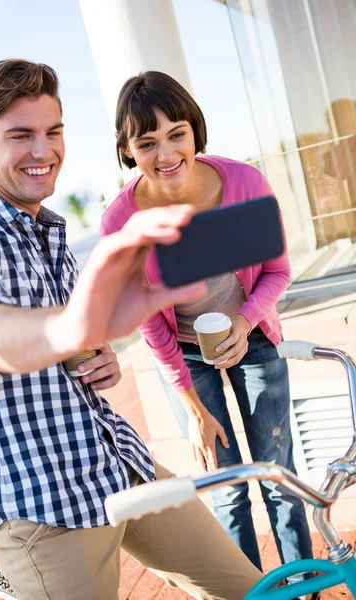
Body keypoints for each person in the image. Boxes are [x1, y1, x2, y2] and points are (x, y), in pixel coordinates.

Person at [0, 59, 262, 600]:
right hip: (41, 504)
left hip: (118, 462)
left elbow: (84, 344)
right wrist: (69, 327)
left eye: (53, 132)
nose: (42, 150)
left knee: (251, 592)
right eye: (20, 135)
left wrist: (103, 357)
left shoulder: (49, 231)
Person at [101, 71, 314, 579]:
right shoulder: (123, 222)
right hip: (186, 357)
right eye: (147, 142)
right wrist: (192, 407)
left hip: (254, 338)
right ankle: (245, 593)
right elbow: (153, 327)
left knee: (278, 476)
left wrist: (244, 322)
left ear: (194, 129)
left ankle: (303, 588)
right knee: (225, 486)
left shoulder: (243, 184)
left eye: (176, 133)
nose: (166, 152)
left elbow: (278, 271)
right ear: (127, 149)